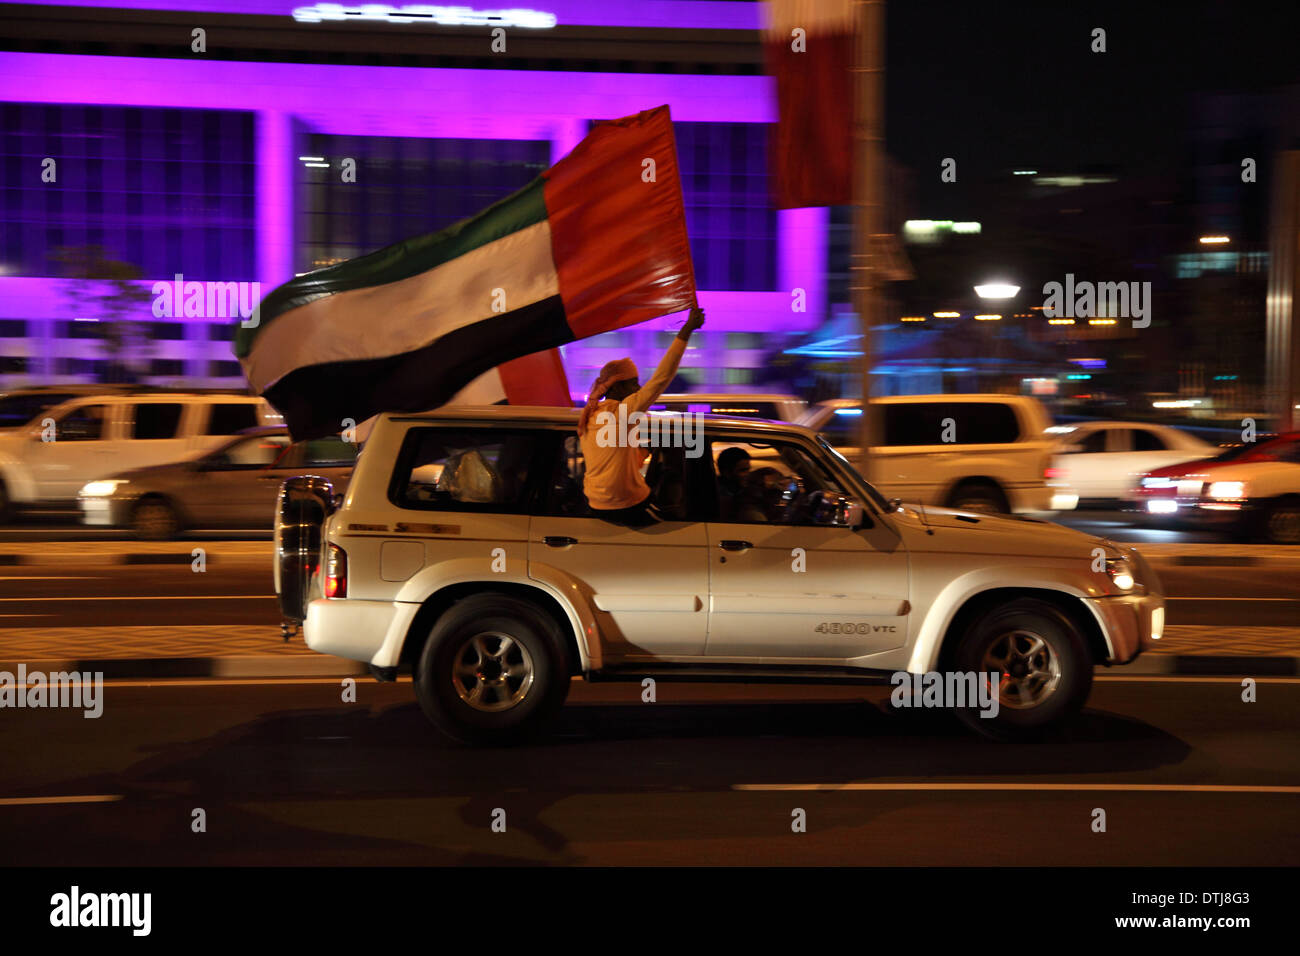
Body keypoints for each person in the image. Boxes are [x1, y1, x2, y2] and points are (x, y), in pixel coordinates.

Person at [577, 303, 706, 526]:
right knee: (679, 528)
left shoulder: (592, 414)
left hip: (595, 503)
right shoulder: (622, 412)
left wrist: (645, 449)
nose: (638, 389)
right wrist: (686, 330)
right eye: (634, 384)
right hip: (626, 503)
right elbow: (661, 378)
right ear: (616, 387)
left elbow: (614, 453)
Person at [715, 446, 751, 520]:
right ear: (727, 473)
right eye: (743, 470)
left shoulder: (738, 490)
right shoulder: (720, 497)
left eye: (748, 470)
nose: (748, 474)